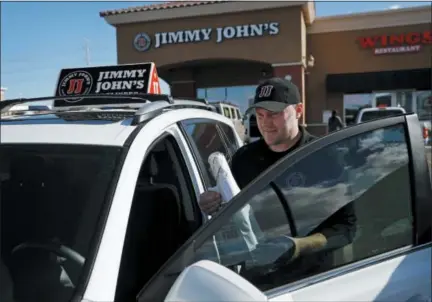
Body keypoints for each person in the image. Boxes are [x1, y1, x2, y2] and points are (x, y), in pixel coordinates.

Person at [199, 77, 356, 261]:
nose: (265, 122)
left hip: (311, 277)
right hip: (257, 273)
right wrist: (212, 202)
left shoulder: (325, 156)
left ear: (298, 111)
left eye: (274, 114)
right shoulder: (243, 159)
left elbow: (346, 228)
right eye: (259, 115)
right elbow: (233, 216)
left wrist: (297, 246)